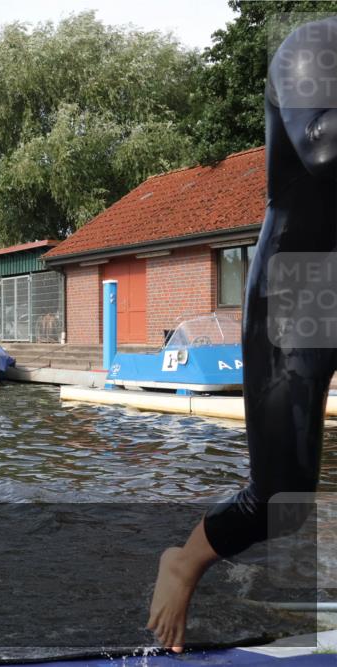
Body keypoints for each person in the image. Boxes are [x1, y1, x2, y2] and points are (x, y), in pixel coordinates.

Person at [148, 18, 337, 652]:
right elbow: (323, 147)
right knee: (284, 498)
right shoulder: (312, 47)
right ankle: (186, 561)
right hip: (300, 284)